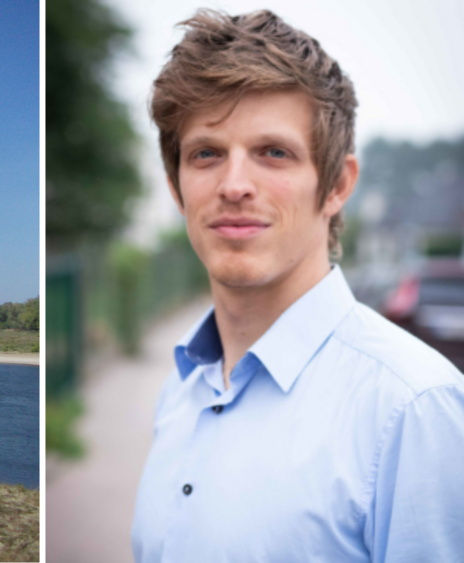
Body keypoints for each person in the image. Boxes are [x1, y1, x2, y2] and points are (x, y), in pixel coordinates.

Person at [131, 9, 464, 562]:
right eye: (207, 153)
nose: (234, 185)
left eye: (273, 152)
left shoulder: (414, 410)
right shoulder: (181, 389)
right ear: (176, 187)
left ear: (336, 185)